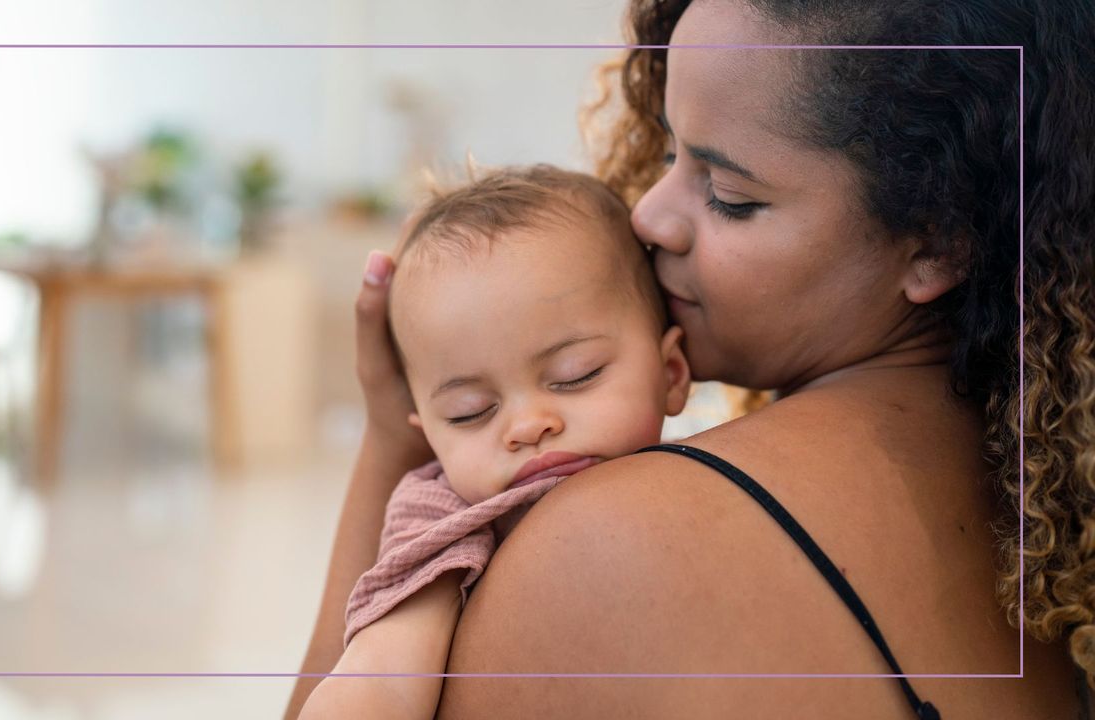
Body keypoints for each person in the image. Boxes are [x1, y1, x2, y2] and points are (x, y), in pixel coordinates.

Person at [286, 0, 1094, 717]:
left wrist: (393, 443)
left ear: (939, 241)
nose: (648, 214)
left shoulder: (608, 544)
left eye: (731, 196)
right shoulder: (1049, 508)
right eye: (672, 152)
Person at [298, 165, 691, 720]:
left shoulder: (704, 474)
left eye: (576, 374)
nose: (527, 425)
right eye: (470, 412)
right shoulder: (445, 518)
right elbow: (378, 681)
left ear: (671, 373)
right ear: (427, 436)